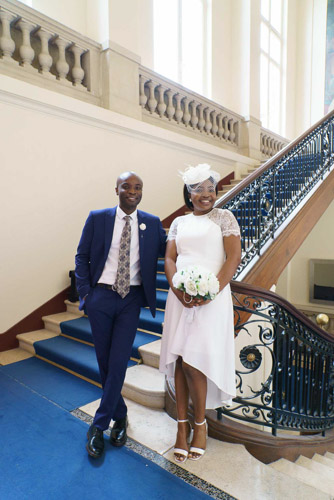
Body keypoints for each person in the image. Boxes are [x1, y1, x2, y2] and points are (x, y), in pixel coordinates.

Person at [75, 171, 166, 458]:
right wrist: (85, 293)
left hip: (131, 300)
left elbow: (173, 250)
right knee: (105, 363)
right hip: (101, 297)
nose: (133, 191)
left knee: (118, 362)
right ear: (116, 189)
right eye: (127, 186)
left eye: (138, 187)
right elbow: (82, 255)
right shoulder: (98, 217)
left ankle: (97, 426)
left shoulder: (151, 224)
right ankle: (121, 415)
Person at [159, 163, 241, 463]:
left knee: (195, 363)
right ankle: (181, 428)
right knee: (180, 360)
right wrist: (177, 289)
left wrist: (210, 292)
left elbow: (233, 258)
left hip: (212, 299)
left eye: (210, 189)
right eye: (199, 190)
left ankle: (200, 424)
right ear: (189, 194)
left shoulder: (225, 218)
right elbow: (169, 258)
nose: (206, 195)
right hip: (179, 298)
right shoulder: (179, 223)